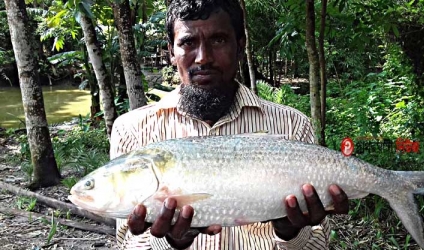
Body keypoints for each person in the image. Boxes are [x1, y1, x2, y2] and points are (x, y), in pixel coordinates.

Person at [109, 0, 349, 249]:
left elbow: (319, 242)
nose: (203, 58)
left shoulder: (292, 125)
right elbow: (128, 241)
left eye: (218, 40)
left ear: (240, 46)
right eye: (188, 42)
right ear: (171, 52)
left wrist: (291, 233)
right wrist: (169, 242)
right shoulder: (133, 130)